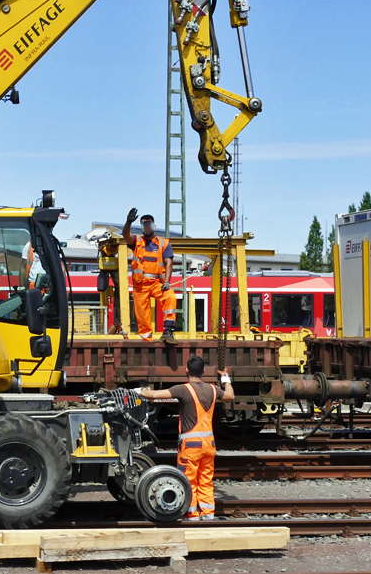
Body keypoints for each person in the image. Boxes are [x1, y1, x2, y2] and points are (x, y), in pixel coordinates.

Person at [138, 356, 234, 520]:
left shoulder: (183, 390)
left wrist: (138, 392)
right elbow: (230, 396)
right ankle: (208, 515)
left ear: (187, 371)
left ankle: (192, 516)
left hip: (191, 446)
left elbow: (154, 395)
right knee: (206, 480)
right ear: (203, 371)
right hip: (209, 445)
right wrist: (225, 378)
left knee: (188, 481)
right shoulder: (212, 389)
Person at [122, 208, 177, 340]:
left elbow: (169, 263)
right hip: (140, 286)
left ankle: (168, 331)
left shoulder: (163, 243)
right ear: (141, 227)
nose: (147, 227)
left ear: (154, 226)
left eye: (149, 224)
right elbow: (125, 235)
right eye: (144, 224)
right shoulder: (136, 242)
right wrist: (128, 222)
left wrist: (167, 282)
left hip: (157, 284)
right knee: (143, 316)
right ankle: (147, 341)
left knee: (170, 297)